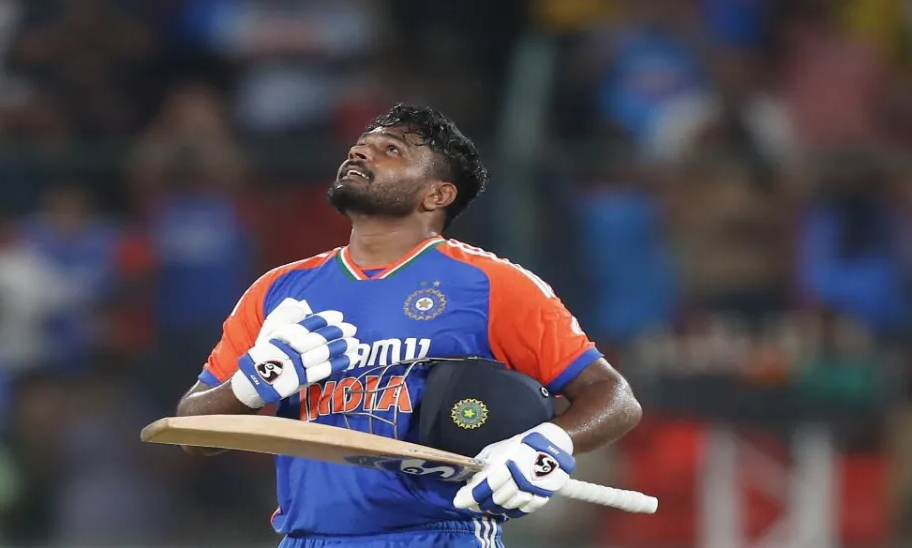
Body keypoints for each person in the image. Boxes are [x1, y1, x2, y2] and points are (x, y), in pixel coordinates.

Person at [176, 104, 643, 547]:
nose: (361, 152)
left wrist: (549, 444)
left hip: (442, 535)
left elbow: (614, 398)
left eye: (391, 150)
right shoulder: (277, 290)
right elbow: (190, 431)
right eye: (361, 145)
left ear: (437, 194)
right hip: (306, 538)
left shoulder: (493, 285)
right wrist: (249, 387)